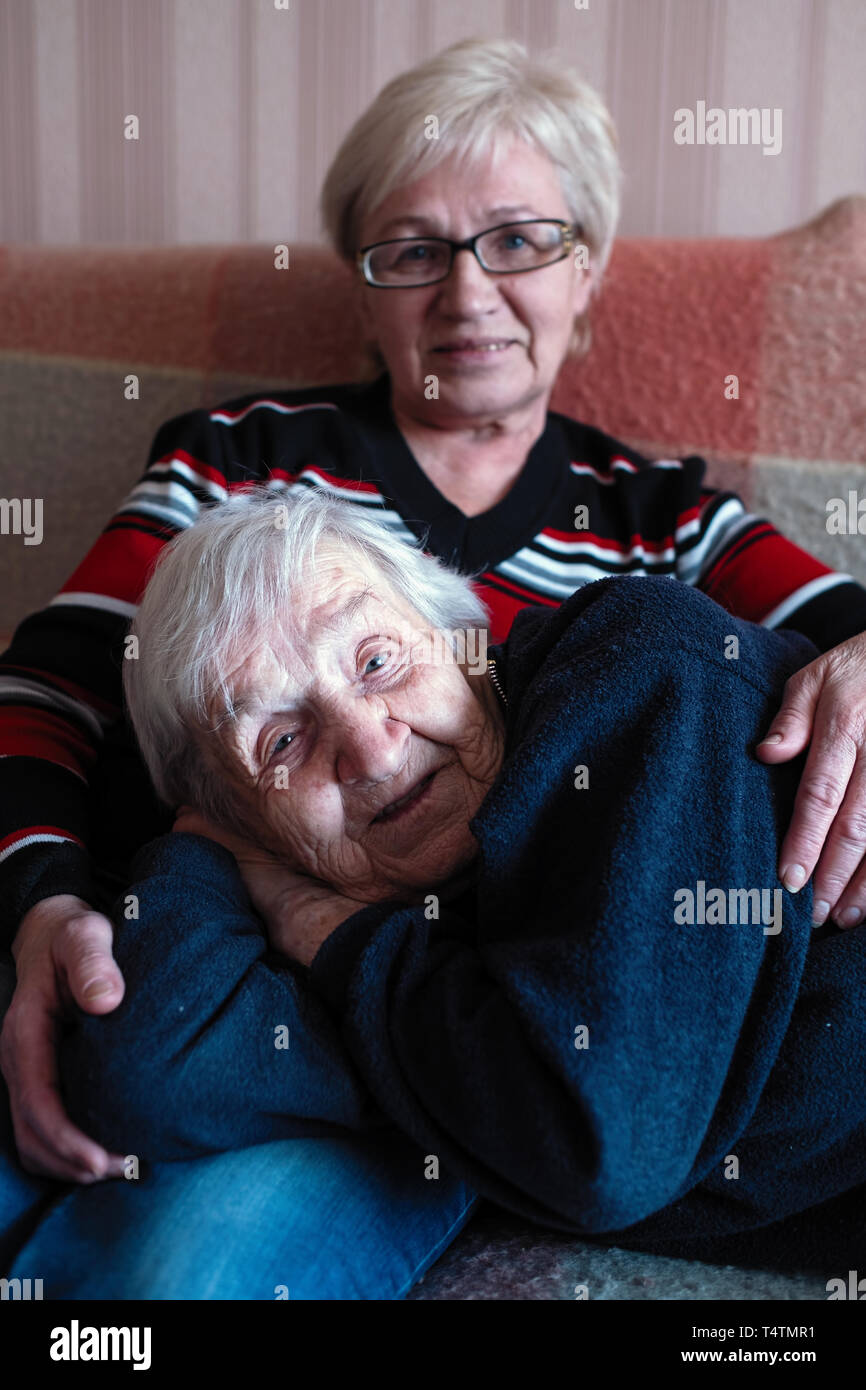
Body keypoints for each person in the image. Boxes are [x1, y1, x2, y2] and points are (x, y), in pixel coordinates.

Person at [2, 36, 866, 1298]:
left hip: (518, 1015)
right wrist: (45, 898)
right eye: (412, 252)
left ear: (588, 271)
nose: (465, 295)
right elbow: (50, 688)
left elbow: (822, 652)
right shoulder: (241, 456)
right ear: (363, 289)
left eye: (517, 240)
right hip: (238, 962)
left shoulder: (668, 520)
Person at [59, 489, 866, 1271]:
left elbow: (598, 1144)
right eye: (280, 743)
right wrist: (203, 848)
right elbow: (142, 1076)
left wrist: (329, 935)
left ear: (456, 637)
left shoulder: (639, 663)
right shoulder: (399, 915)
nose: (372, 751)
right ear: (249, 827)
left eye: (377, 661)